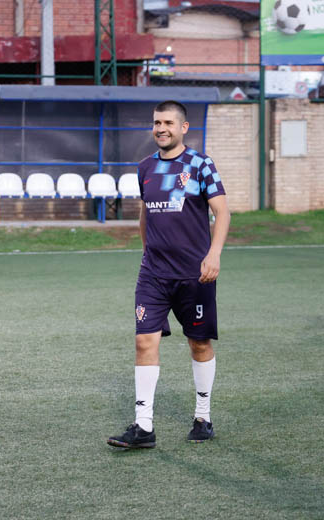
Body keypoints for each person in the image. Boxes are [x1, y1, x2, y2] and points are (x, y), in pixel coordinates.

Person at [107, 100, 230, 448]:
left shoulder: (201, 165)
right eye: (157, 122)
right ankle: (143, 426)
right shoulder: (145, 167)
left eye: (168, 123)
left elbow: (222, 213)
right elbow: (145, 215)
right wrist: (147, 252)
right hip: (154, 274)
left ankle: (203, 416)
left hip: (195, 273)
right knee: (144, 340)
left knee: (199, 342)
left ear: (183, 128)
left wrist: (214, 254)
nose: (161, 128)